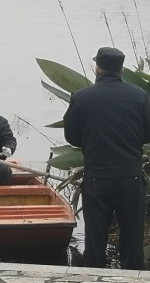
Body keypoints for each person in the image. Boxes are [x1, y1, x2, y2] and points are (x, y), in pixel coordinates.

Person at [63, 46, 150, 270]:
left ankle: (94, 280)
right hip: (130, 177)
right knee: (132, 239)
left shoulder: (81, 97)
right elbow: (147, 134)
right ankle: (133, 281)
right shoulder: (140, 96)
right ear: (121, 69)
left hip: (97, 177)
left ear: (97, 68)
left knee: (95, 239)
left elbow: (72, 137)